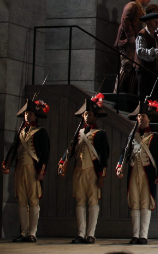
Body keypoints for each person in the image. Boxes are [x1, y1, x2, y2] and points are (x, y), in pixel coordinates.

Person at [58, 94, 110, 244]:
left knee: (93, 202)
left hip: (93, 171)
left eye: (90, 114)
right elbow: (70, 150)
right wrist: (62, 161)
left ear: (95, 116)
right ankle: (81, 234)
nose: (87, 116)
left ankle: (91, 234)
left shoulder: (100, 134)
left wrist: (101, 174)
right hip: (79, 170)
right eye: (86, 114)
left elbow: (104, 156)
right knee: (80, 202)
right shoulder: (79, 133)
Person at [116, 99, 158, 245]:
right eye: (139, 116)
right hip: (133, 172)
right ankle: (135, 235)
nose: (140, 118)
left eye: (143, 116)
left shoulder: (155, 137)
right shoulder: (132, 136)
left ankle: (143, 235)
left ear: (149, 119)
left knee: (145, 203)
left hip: (147, 174)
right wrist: (120, 166)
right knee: (134, 203)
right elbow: (124, 153)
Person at [2, 98, 50, 243]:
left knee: (33, 201)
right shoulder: (21, 131)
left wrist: (41, 171)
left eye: (30, 113)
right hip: (20, 169)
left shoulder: (41, 132)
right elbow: (14, 149)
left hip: (32, 169)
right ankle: (23, 232)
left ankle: (32, 233)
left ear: (35, 116)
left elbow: (45, 153)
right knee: (22, 201)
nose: (27, 115)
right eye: (26, 113)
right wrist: (7, 163)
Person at [115, 0, 157, 94]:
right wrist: (130, 36)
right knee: (126, 65)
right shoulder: (132, 5)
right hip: (127, 42)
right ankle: (115, 92)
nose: (149, 1)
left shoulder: (140, 8)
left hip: (134, 42)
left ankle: (130, 95)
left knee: (134, 67)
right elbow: (125, 20)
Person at [136, 11, 158, 104]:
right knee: (145, 96)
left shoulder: (157, 37)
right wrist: (156, 52)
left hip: (157, 71)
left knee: (157, 97)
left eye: (157, 22)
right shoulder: (142, 35)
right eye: (154, 22)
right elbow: (140, 51)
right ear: (148, 22)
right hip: (146, 71)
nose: (157, 24)